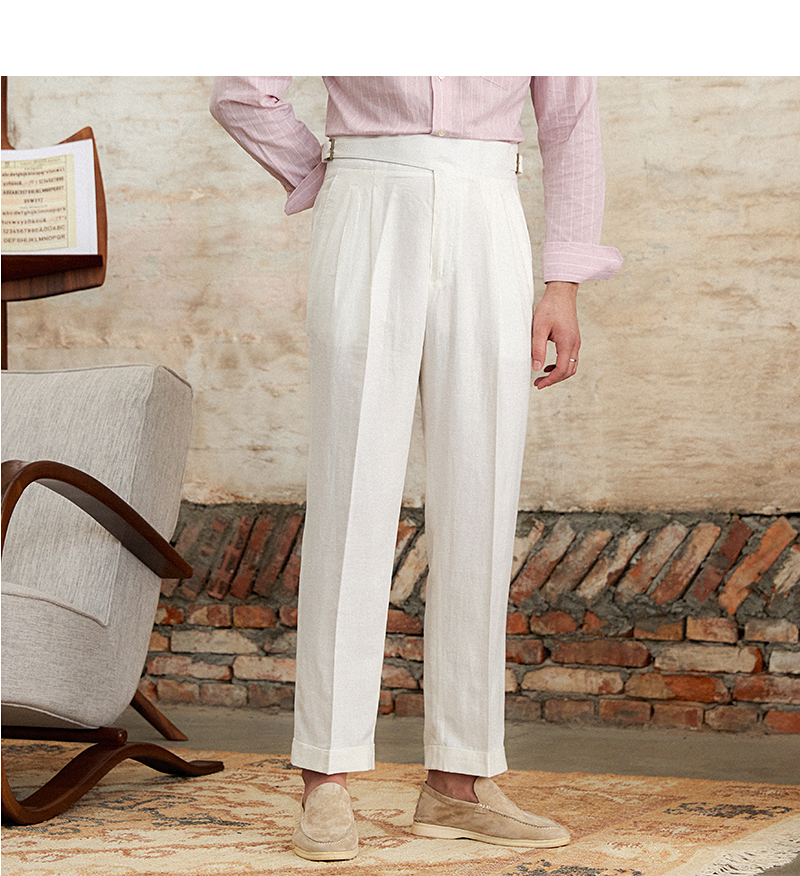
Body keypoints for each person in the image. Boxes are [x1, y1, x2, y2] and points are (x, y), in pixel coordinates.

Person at [210, 76, 622, 861]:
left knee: (481, 498)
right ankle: (326, 778)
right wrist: (322, 172)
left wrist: (563, 283)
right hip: (367, 204)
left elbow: (570, 123)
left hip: (489, 212)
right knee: (351, 496)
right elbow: (242, 90)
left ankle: (459, 784)